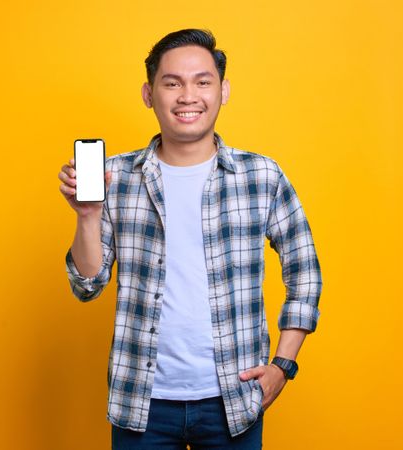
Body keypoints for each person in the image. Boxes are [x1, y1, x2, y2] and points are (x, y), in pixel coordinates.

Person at [58, 28, 322, 450]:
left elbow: (305, 272)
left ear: (223, 90)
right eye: (172, 83)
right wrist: (88, 216)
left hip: (234, 400)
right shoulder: (118, 178)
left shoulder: (262, 176)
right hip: (141, 403)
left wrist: (282, 365)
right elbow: (87, 286)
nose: (188, 96)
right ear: (149, 94)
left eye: (202, 81)